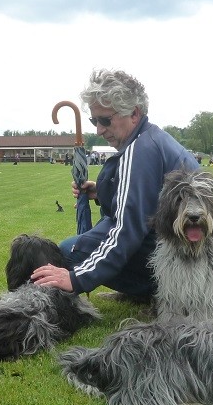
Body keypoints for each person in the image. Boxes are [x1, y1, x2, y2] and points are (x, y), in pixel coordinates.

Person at [32, 69, 199, 303]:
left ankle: (150, 293)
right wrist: (100, 193)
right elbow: (151, 202)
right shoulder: (152, 139)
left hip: (176, 265)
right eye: (94, 120)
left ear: (134, 113)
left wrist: (77, 278)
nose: (99, 130)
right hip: (187, 259)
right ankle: (144, 290)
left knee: (70, 252)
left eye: (105, 120)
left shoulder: (140, 151)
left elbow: (126, 231)